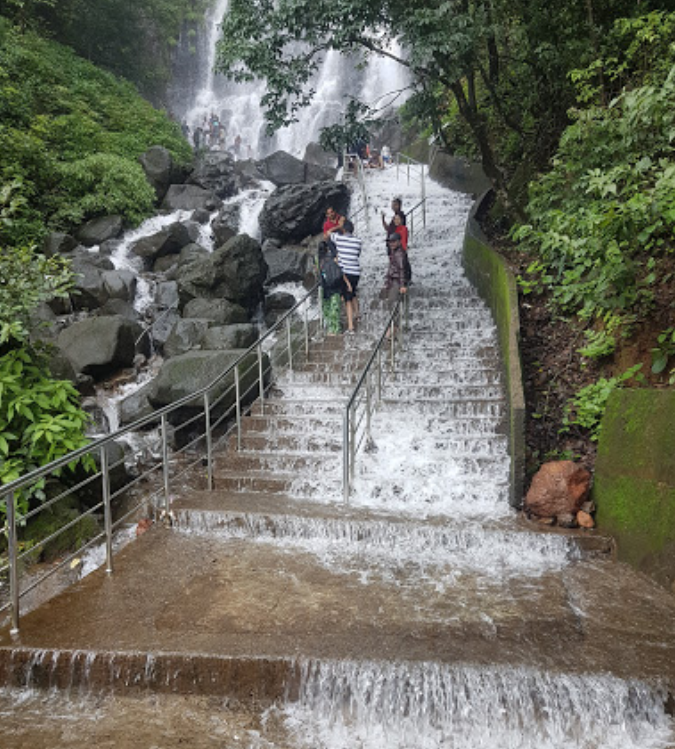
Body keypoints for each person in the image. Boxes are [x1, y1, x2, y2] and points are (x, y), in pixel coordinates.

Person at [332, 219, 362, 334]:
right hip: (356, 272)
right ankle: (358, 315)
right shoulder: (358, 241)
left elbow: (328, 234)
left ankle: (350, 327)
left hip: (345, 273)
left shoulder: (339, 238)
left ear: (343, 229)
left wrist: (337, 227)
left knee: (347, 299)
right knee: (353, 292)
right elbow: (357, 254)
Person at [317, 241, 345, 335]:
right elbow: (340, 272)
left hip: (324, 287)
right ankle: (335, 330)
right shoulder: (333, 258)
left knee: (327, 309)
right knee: (335, 308)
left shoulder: (317, 260)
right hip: (335, 286)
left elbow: (317, 272)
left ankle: (329, 330)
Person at [383, 233, 411, 306]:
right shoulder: (394, 251)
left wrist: (402, 285)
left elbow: (402, 269)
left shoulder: (399, 253)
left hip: (397, 280)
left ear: (399, 242)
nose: (391, 244)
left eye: (394, 242)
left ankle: (396, 317)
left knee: (392, 302)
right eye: (390, 242)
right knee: (392, 303)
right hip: (393, 279)